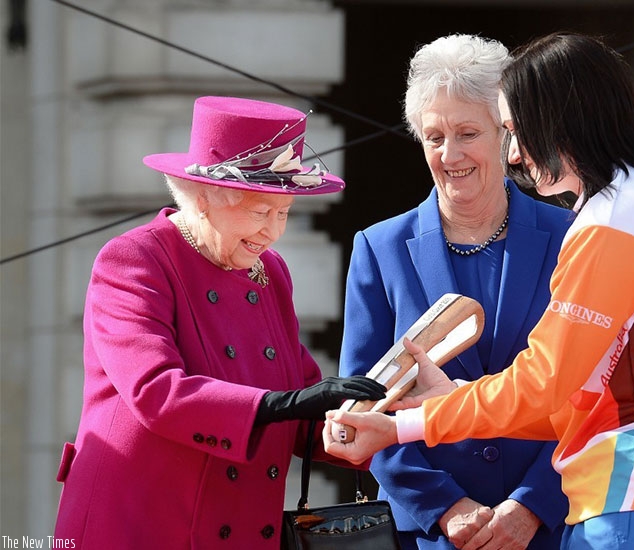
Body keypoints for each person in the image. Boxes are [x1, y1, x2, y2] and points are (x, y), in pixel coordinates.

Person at [325, 32, 634, 549]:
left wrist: (407, 425)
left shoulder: (608, 221)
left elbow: (547, 382)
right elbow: (582, 396)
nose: (518, 152)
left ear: (560, 119)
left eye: (508, 130)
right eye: (434, 136)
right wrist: (446, 409)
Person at [53, 96, 386, 549]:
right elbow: (155, 390)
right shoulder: (134, 259)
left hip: (240, 529)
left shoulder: (270, 273)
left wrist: (375, 422)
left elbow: (300, 400)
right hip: (142, 524)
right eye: (259, 212)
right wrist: (281, 405)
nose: (273, 232)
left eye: (283, 213)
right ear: (205, 198)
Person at [337, 34, 572, 550]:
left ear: (507, 136)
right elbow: (364, 403)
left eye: (468, 133)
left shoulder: (571, 238)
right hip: (433, 537)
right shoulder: (379, 248)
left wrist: (533, 505)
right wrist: (445, 508)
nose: (450, 154)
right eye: (434, 136)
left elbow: (592, 391)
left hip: (555, 529)